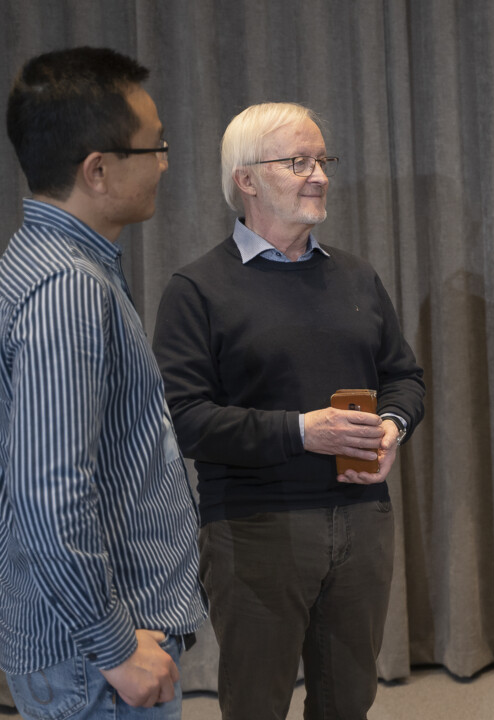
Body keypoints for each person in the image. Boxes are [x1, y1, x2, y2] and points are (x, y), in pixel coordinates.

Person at [151, 102, 425, 720]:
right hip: (255, 528)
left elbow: (405, 378)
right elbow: (186, 419)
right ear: (245, 179)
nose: (319, 175)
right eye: (297, 162)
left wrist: (392, 427)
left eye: (322, 160)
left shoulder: (357, 278)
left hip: (362, 521)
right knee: (256, 705)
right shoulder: (196, 290)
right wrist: (303, 432)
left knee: (348, 703)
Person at [0, 47, 207, 716]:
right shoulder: (66, 290)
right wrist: (114, 646)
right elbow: (50, 495)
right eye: (156, 147)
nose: (166, 163)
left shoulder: (58, 263)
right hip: (94, 661)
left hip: (90, 648)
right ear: (97, 169)